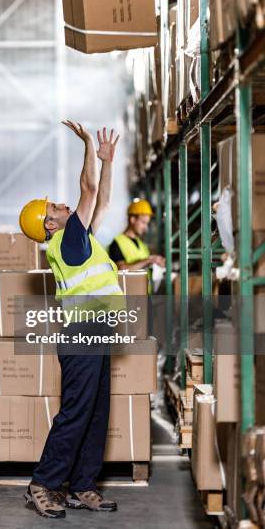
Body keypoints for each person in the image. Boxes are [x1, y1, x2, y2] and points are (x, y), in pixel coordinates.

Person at [19, 122, 121, 519]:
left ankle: (81, 486)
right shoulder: (68, 239)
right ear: (49, 225)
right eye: (54, 208)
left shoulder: (80, 238)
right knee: (77, 412)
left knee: (96, 412)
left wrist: (107, 162)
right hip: (82, 335)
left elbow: (104, 201)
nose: (62, 205)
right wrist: (87, 150)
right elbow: (90, 191)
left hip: (97, 332)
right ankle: (42, 484)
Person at [109, 199, 165, 288]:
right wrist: (148, 260)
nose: (145, 227)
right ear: (133, 219)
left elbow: (144, 267)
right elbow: (120, 270)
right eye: (143, 223)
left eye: (147, 224)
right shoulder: (117, 243)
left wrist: (156, 262)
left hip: (144, 295)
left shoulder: (141, 244)